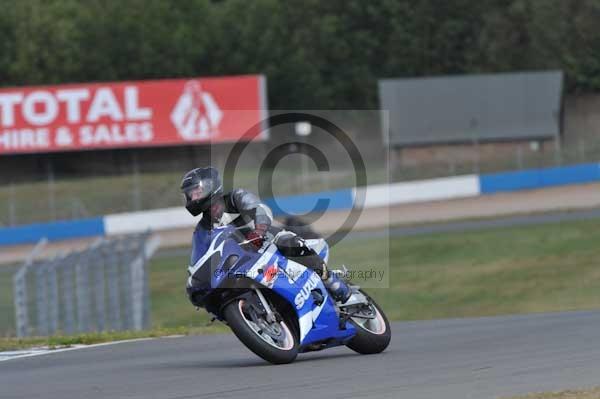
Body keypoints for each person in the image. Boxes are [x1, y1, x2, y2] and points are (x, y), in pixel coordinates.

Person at [180, 166, 351, 303]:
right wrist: (195, 281)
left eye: (197, 191)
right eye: (190, 194)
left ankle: (332, 282)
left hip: (269, 244)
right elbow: (200, 258)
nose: (193, 197)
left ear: (210, 185)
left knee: (288, 241)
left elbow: (260, 209)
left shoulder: (235, 198)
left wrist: (259, 231)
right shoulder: (201, 230)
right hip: (243, 264)